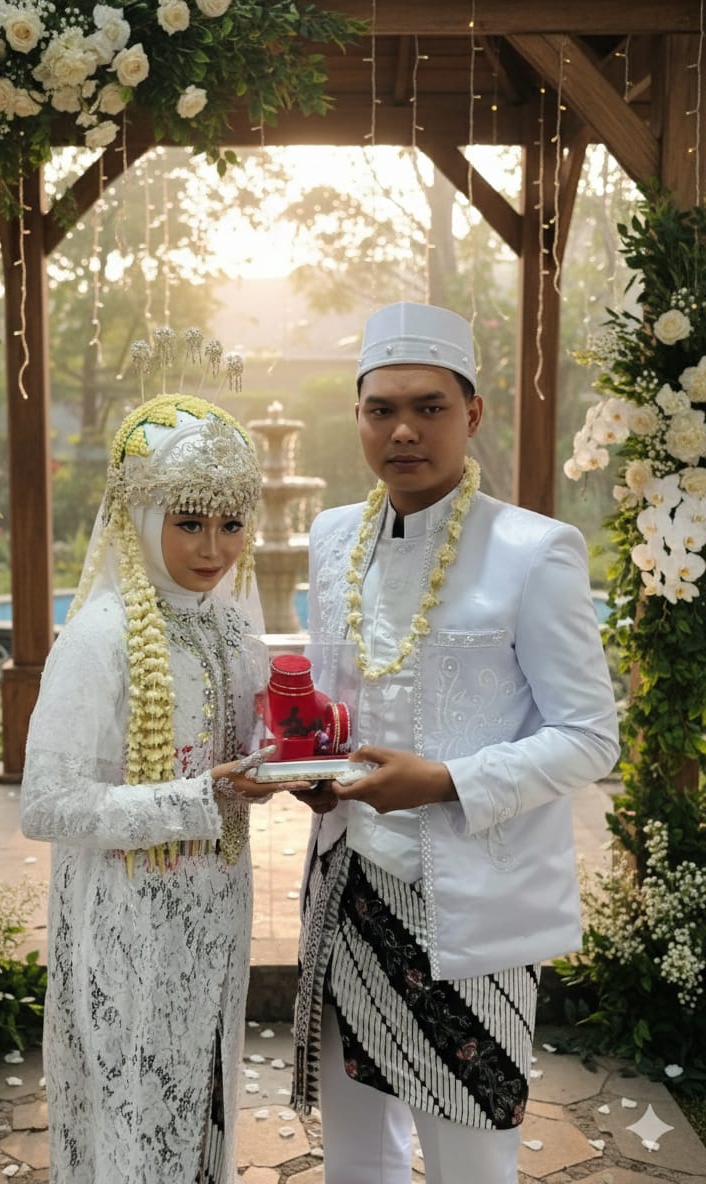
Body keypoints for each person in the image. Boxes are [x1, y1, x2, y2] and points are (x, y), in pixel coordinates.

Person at [290, 302, 620, 1184]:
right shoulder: (332, 538)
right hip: (348, 886)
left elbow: (591, 737)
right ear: (358, 418)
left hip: (471, 900)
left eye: (429, 407)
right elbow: (333, 698)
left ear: (472, 414)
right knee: (356, 1151)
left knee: (471, 1153)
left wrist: (444, 780)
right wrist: (313, 766)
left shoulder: (535, 550)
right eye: (382, 409)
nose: (403, 430)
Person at [20, 394, 295, 1184]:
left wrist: (283, 763)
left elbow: (242, 754)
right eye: (190, 522)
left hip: (217, 909)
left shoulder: (231, 627)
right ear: (140, 516)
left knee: (204, 1097)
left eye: (231, 524)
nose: (214, 548)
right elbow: (46, 801)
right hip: (127, 921)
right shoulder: (100, 635)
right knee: (133, 1109)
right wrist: (194, 800)